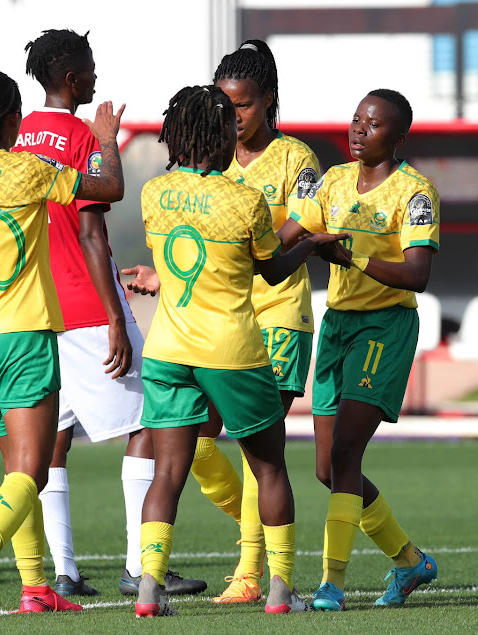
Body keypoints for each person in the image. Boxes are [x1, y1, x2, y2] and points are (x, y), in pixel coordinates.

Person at [130, 84, 348, 617]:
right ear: (216, 135)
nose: (236, 135)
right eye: (229, 127)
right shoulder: (246, 200)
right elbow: (271, 270)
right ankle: (279, 592)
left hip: (168, 349)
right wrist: (314, 245)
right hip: (232, 350)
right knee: (270, 468)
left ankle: (147, 593)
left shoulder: (153, 192)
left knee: (167, 475)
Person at [12, 28, 205, 599]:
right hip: (86, 304)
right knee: (151, 422)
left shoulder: (17, 135)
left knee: (53, 439)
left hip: (35, 308)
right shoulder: (80, 136)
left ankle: (64, 571)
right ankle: (137, 563)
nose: (96, 77)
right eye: (90, 68)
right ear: (71, 78)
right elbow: (94, 227)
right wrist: (118, 319)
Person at [0, 69, 125, 618]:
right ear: (14, 121)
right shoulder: (29, 170)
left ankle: (36, 587)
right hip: (21, 336)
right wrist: (105, 139)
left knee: (17, 468)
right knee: (31, 471)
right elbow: (108, 189)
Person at [277, 88, 440, 611]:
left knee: (347, 452)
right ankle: (410, 561)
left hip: (385, 329)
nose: (358, 130)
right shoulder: (333, 180)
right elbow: (288, 235)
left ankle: (332, 585)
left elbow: (418, 274)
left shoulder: (415, 193)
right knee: (327, 468)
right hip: (338, 326)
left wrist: (352, 259)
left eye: (372, 124)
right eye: (355, 120)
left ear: (397, 136)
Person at [185, 39, 322, 605]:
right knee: (192, 437)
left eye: (241, 104)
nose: (232, 116)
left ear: (267, 100)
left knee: (253, 441)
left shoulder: (297, 159)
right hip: (223, 321)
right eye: (224, 105)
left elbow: (307, 224)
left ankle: (249, 573)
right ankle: (259, 523)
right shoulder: (211, 159)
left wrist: (250, 247)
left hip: (280, 314)